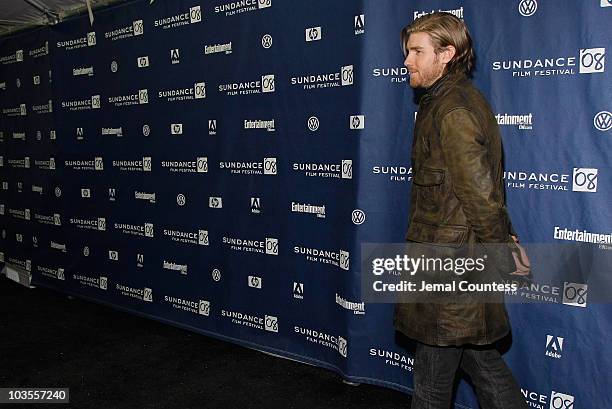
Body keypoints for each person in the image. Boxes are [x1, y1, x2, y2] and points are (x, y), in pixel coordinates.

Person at [393, 12, 529, 409]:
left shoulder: (452, 110)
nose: (407, 61)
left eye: (417, 52)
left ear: (447, 53)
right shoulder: (446, 101)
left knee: (432, 386)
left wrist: (500, 247)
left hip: (449, 271)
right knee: (482, 363)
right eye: (408, 52)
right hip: (451, 263)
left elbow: (479, 192)